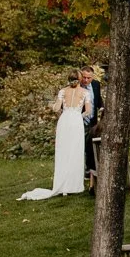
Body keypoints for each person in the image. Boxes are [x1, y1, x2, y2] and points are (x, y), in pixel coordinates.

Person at [19, 70, 88, 200]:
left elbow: (56, 109)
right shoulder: (85, 93)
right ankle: (73, 185)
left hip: (64, 121)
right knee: (75, 151)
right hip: (76, 123)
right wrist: (78, 116)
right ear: (80, 80)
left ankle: (63, 185)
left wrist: (52, 104)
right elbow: (88, 111)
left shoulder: (62, 91)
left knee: (63, 152)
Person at [79, 65, 103, 176]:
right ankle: (80, 169)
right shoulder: (77, 86)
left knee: (91, 144)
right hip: (80, 120)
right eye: (84, 77)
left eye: (89, 78)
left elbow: (98, 99)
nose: (86, 80)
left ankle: (90, 169)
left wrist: (102, 107)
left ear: (92, 77)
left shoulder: (96, 84)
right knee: (81, 145)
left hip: (93, 120)